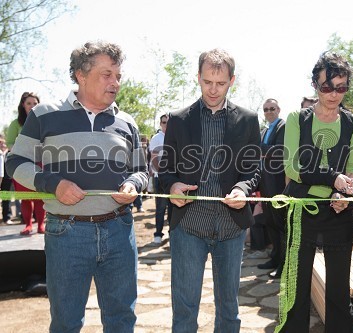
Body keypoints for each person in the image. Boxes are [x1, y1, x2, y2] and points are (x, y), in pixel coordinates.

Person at [6, 41, 148, 332]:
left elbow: (141, 170)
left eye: (118, 75)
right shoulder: (44, 114)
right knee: (66, 322)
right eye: (107, 74)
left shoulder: (127, 121)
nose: (115, 82)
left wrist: (133, 184)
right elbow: (14, 162)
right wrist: (53, 184)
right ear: (81, 75)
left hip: (120, 231)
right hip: (66, 234)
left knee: (122, 319)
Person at [159, 48, 261, 332]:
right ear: (198, 78)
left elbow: (253, 168)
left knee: (229, 309)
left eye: (221, 83)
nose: (213, 90)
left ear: (232, 80)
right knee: (184, 308)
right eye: (207, 82)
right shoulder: (178, 119)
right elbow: (165, 169)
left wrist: (242, 188)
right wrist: (173, 185)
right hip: (189, 225)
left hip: (231, 226)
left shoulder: (249, 119)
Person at [279, 51, 353, 332]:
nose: (334, 94)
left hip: (339, 214)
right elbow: (291, 167)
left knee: (339, 293)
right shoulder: (297, 119)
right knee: (297, 288)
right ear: (315, 85)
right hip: (302, 211)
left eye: (341, 88)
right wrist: (333, 179)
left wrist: (343, 194)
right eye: (327, 87)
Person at [7, 92, 46, 234]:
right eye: (29, 103)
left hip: (41, 164)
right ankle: (28, 225)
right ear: (23, 105)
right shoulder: (15, 124)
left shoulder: (44, 122)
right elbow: (9, 143)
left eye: (35, 103)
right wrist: (22, 152)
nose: (32, 106)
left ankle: (41, 225)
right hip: (21, 165)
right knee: (25, 199)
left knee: (40, 198)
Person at [256, 98, 286, 279]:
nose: (269, 112)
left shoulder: (284, 127)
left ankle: (283, 265)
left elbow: (280, 151)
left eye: (272, 108)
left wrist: (258, 147)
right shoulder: (265, 130)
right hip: (265, 183)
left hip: (278, 183)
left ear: (279, 109)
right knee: (270, 223)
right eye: (266, 109)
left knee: (281, 225)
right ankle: (274, 258)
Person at [149, 114, 169, 244]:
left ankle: (172, 234)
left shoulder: (177, 136)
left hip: (175, 179)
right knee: (161, 208)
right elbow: (154, 158)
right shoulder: (157, 138)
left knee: (174, 208)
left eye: (168, 122)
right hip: (160, 178)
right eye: (164, 122)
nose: (166, 124)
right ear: (160, 124)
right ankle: (158, 233)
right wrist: (163, 174)